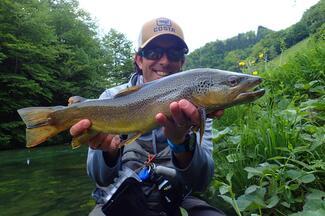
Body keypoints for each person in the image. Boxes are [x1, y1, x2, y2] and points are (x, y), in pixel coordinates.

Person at [70, 17, 225, 216]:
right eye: (154, 52)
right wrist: (108, 152)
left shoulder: (197, 103)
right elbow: (101, 179)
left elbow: (200, 182)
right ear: (139, 59)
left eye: (174, 53)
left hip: (179, 199)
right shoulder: (110, 98)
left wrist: (181, 143)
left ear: (182, 61)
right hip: (121, 197)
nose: (165, 61)